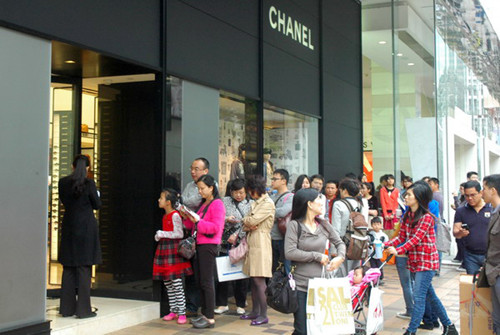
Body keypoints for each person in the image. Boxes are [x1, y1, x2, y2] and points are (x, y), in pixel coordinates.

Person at [385, 181, 458, 335]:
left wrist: (397, 250)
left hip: (427, 263)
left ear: (418, 197)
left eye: (409, 194)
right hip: (415, 261)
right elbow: (402, 237)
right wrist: (385, 244)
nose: (405, 197)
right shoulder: (408, 215)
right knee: (430, 296)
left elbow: (414, 240)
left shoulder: (427, 218)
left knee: (419, 297)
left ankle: (411, 331)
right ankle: (449, 326)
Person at [284, 188, 346, 335]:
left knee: (318, 328)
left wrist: (340, 257)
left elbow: (340, 243)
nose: (321, 202)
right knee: (302, 330)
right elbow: (290, 252)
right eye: (318, 199)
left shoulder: (323, 224)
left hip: (321, 287)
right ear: (309, 204)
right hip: (301, 286)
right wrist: (317, 256)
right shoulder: (294, 226)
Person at [58, 154, 102, 318]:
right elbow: (97, 205)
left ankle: (67, 309)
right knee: (84, 267)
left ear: (72, 166)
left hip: (69, 225)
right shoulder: (89, 183)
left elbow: (64, 201)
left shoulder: (63, 182)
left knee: (68, 266)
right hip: (86, 227)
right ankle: (84, 310)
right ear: (88, 168)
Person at [183, 175, 225, 329]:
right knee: (201, 280)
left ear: (211, 188)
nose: (200, 192)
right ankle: (205, 314)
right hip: (200, 244)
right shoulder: (204, 203)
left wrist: (198, 221)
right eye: (198, 188)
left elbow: (215, 227)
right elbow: (193, 225)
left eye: (202, 188)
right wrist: (186, 216)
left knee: (207, 281)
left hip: (209, 245)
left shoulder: (217, 204)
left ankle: (210, 318)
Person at [153, 189, 193, 325]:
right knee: (168, 283)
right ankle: (173, 310)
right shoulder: (165, 216)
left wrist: (161, 234)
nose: (159, 200)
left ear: (168, 202)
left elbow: (178, 233)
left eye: (161, 198)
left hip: (172, 250)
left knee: (176, 283)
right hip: (165, 249)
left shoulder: (175, 215)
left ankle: (182, 312)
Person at [240, 175, 275, 326]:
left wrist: (247, 222)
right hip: (252, 240)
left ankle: (263, 314)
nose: (249, 194)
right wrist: (247, 223)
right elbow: (246, 222)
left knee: (259, 279)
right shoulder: (256, 203)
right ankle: (255, 311)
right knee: (253, 278)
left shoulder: (267, 203)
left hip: (261, 242)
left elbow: (251, 220)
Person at [215, 179, 252, 315]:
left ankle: (241, 304)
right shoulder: (224, 201)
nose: (238, 195)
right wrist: (226, 220)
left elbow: (249, 223)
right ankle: (221, 304)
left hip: (241, 243)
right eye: (236, 192)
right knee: (223, 274)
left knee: (240, 275)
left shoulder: (250, 204)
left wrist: (237, 235)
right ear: (231, 192)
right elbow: (218, 218)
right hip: (224, 242)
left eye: (241, 192)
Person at [181, 157, 211, 316]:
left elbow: (189, 202)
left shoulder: (211, 187)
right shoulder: (188, 185)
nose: (193, 171)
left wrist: (183, 202)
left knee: (203, 276)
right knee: (191, 273)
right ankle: (192, 306)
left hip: (204, 236)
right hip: (189, 233)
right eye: (192, 168)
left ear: (206, 171)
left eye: (197, 169)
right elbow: (183, 204)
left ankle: (204, 309)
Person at [452, 180, 491, 275]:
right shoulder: (461, 211)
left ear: (481, 193)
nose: (470, 198)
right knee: (473, 285)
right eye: (467, 195)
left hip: (490, 255)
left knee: (492, 285)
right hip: (470, 255)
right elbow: (455, 232)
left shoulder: (492, 208)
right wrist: (460, 233)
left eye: (473, 195)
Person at [332, 178, 363, 276]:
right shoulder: (361, 205)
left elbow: (335, 228)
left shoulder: (338, 204)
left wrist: (333, 249)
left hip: (342, 243)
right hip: (357, 243)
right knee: (354, 275)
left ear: (344, 190)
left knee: (340, 274)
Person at [483, 174, 500, 334]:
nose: (482, 193)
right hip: (493, 273)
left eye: (484, 189)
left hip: (497, 272)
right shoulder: (494, 212)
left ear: (493, 190)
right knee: (497, 320)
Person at [270, 169, 294, 272]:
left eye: (275, 179)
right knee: (273, 268)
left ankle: (287, 287)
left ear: (284, 181)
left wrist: (268, 212)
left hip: (283, 237)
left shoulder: (290, 197)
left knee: (285, 268)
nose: (272, 182)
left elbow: (282, 212)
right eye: (272, 179)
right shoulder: (271, 197)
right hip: (271, 237)